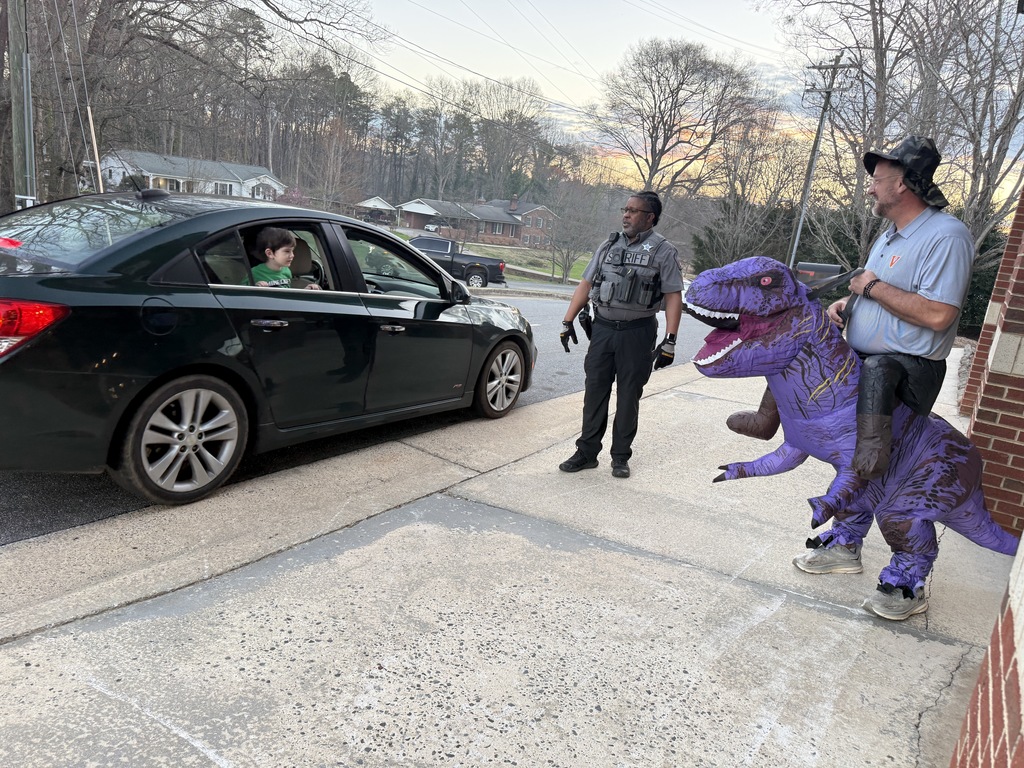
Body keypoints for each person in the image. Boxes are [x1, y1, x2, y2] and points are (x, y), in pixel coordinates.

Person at [793, 135, 975, 593]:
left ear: (905, 184)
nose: (870, 189)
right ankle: (846, 543)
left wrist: (871, 289)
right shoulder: (888, 236)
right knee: (855, 462)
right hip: (864, 365)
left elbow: (938, 314)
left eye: (877, 180)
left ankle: (908, 577)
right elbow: (882, 294)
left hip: (906, 373)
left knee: (889, 472)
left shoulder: (946, 235)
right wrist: (848, 305)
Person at [558, 190, 684, 479]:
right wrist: (568, 321)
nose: (626, 215)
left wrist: (671, 340)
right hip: (602, 330)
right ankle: (587, 453)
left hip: (637, 333)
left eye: (633, 210)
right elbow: (586, 284)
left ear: (649, 217)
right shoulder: (608, 244)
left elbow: (673, 296)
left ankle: (620, 457)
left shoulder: (663, 250)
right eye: (624, 209)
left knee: (628, 397)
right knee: (594, 393)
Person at [251, 227, 322, 290]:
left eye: (292, 251)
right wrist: (256, 287)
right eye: (287, 251)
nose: (292, 255)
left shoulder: (286, 271)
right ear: (270, 253)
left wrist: (306, 290)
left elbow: (287, 294)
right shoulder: (254, 273)